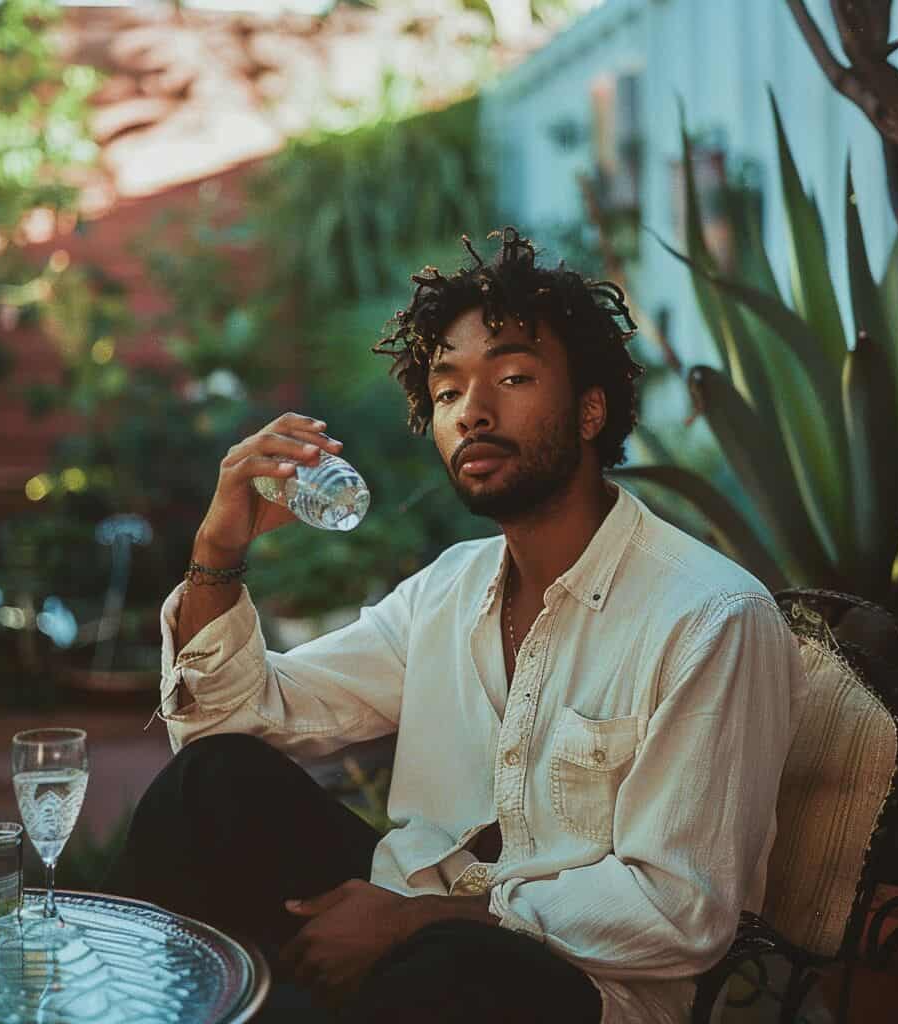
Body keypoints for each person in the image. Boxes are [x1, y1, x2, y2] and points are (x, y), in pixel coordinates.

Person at [106, 227, 807, 1023]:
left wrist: (410, 922)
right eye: (446, 392)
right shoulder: (451, 587)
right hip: (407, 921)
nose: (472, 412)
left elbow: (679, 912)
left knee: (449, 976)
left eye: (511, 377)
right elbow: (226, 724)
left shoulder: (710, 617)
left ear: (589, 410)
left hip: (575, 989)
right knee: (208, 788)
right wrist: (218, 548)